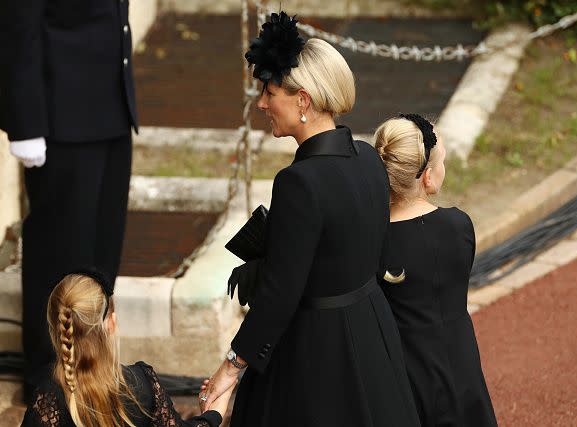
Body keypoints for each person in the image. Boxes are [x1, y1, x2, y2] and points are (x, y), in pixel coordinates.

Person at [198, 12, 420, 427]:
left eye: (270, 91)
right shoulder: (370, 158)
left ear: (302, 100)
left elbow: (281, 294)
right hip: (373, 337)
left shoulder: (297, 183)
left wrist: (231, 366)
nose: (262, 103)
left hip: (316, 356)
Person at [0, 1, 137, 401]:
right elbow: (17, 25)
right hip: (60, 120)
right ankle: (49, 382)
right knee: (57, 256)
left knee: (102, 257)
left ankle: (93, 372)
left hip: (112, 110)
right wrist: (26, 124)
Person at [374, 114, 498, 426]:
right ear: (427, 177)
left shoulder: (371, 240)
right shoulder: (458, 226)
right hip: (460, 364)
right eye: (441, 160)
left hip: (402, 373)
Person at [21, 271, 233, 427]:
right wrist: (214, 412)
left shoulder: (49, 398)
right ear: (112, 323)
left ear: (56, 329)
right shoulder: (143, 384)